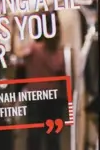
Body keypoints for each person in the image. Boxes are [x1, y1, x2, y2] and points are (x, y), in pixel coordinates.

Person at [24, 11, 67, 150]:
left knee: (34, 139)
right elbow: (62, 78)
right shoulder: (59, 52)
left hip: (36, 98)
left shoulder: (32, 49)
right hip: (54, 100)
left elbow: (17, 54)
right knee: (53, 140)